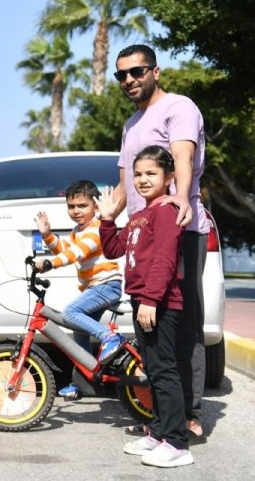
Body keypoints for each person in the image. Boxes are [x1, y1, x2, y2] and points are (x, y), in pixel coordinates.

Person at [111, 44, 209, 445]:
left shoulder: (179, 106)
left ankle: (189, 416)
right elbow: (122, 186)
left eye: (137, 71)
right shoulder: (132, 124)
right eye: (122, 75)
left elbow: (182, 158)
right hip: (141, 233)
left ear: (156, 71)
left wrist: (181, 197)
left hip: (177, 227)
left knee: (182, 323)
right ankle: (164, 418)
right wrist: (100, 218)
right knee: (152, 333)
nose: (130, 80)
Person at [99, 145, 192, 468]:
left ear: (168, 178)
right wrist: (108, 219)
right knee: (152, 370)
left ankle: (178, 444)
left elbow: (165, 259)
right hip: (143, 300)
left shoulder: (166, 211)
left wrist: (151, 300)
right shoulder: (140, 215)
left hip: (161, 303)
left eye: (151, 173)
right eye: (137, 174)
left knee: (165, 372)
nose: (142, 179)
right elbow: (113, 249)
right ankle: (158, 432)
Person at [33, 179, 124, 400]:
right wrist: (47, 235)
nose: (76, 211)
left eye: (82, 206)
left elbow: (77, 253)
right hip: (94, 287)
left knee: (70, 313)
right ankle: (84, 382)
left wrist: (50, 264)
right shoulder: (77, 231)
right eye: (71, 206)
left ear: (95, 206)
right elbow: (65, 249)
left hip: (106, 285)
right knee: (79, 334)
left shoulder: (97, 229)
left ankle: (110, 337)